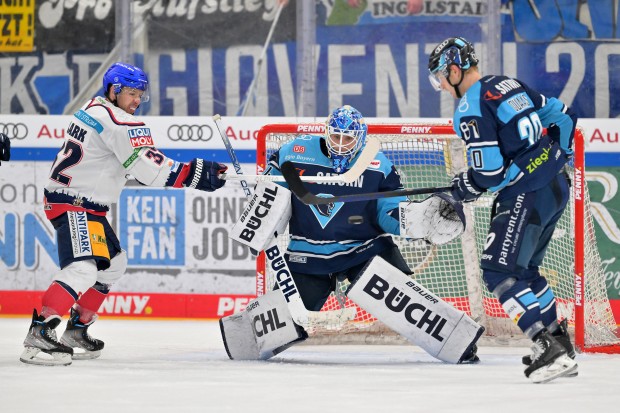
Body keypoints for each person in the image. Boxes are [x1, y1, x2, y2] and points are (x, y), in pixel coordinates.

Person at [233, 104, 480, 363]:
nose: (340, 144)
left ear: (359, 138)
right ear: (326, 132)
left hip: (364, 248)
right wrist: (259, 219)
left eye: (347, 138)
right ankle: (246, 336)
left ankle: (457, 342)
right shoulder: (294, 152)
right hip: (308, 252)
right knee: (279, 325)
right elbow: (270, 192)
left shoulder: (377, 163)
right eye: (336, 136)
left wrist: (416, 222)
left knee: (401, 297)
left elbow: (389, 212)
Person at [20, 62, 228, 366]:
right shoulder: (120, 123)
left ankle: (76, 331)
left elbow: (123, 167)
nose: (136, 101)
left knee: (113, 265)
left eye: (140, 94)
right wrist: (196, 174)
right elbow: (150, 168)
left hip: (80, 202)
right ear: (113, 90)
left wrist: (182, 174)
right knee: (83, 270)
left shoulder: (93, 109)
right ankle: (40, 332)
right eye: (131, 93)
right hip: (75, 203)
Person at [427, 37, 578, 383]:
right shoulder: (507, 83)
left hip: (527, 192)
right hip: (557, 185)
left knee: (498, 271)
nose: (442, 86)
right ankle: (561, 344)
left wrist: (463, 187)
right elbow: (564, 116)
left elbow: (490, 174)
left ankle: (546, 348)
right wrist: (561, 156)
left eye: (440, 77)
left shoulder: (469, 106)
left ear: (454, 70)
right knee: (526, 271)